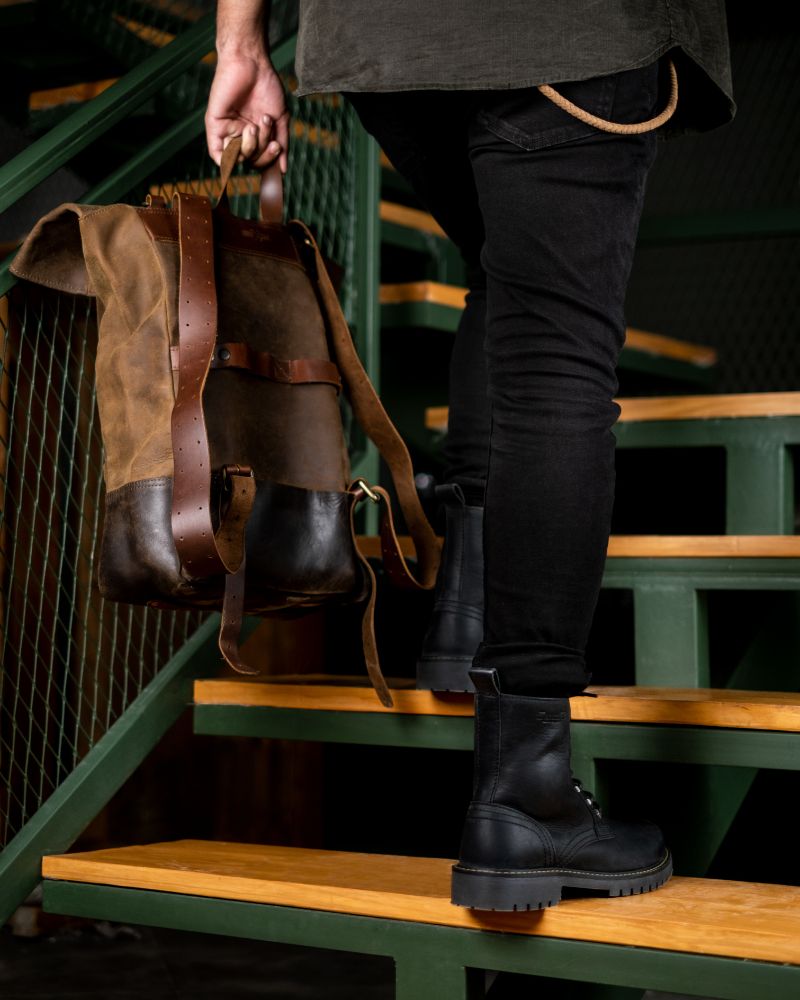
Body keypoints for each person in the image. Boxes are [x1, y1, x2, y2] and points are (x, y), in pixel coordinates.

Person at [205, 1, 735, 912]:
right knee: (558, 359)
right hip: (561, 28)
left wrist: (240, 39)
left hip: (387, 38)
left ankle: (464, 615)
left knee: (512, 274)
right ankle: (524, 795)